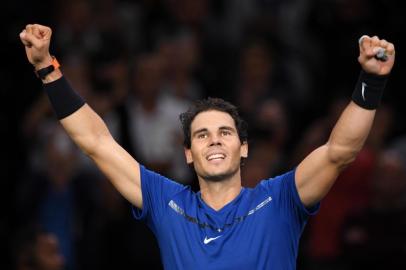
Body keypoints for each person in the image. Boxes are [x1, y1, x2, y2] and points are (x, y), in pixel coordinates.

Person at [19, 24, 395, 269]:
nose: (214, 138)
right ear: (188, 154)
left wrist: (371, 81)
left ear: (243, 148)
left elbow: (339, 151)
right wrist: (47, 70)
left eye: (225, 132)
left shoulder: (279, 199)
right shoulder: (166, 202)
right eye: (201, 135)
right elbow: (96, 142)